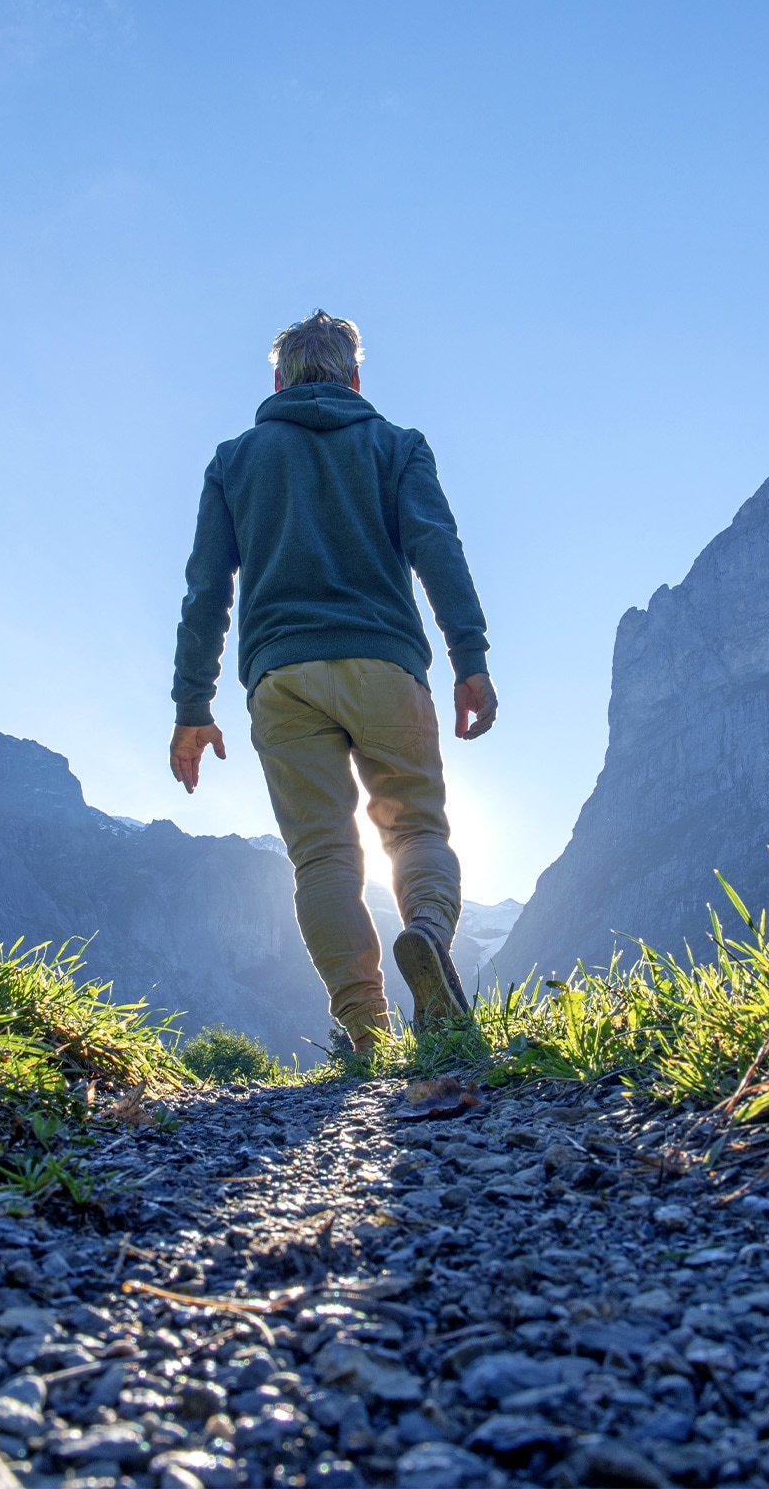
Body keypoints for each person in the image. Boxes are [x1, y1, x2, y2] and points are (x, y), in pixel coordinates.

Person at [169, 310, 497, 1051]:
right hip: (385, 664)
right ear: (354, 376)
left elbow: (206, 593)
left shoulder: (234, 461)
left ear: (277, 379)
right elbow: (437, 550)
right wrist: (469, 660)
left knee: (322, 855)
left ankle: (367, 1032)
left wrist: (193, 704)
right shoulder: (397, 447)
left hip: (282, 678)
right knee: (415, 828)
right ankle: (427, 940)